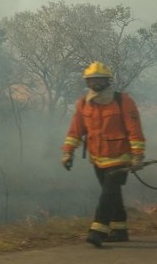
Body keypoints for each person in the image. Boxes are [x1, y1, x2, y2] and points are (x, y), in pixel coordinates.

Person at [61, 61, 146, 247]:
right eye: (92, 80)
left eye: (99, 79)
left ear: (108, 80)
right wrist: (68, 153)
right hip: (97, 160)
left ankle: (98, 231)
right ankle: (120, 230)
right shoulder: (84, 103)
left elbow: (135, 131)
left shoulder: (122, 101)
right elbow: (75, 131)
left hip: (120, 159)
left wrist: (138, 155)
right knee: (112, 194)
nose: (96, 83)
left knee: (107, 194)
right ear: (87, 82)